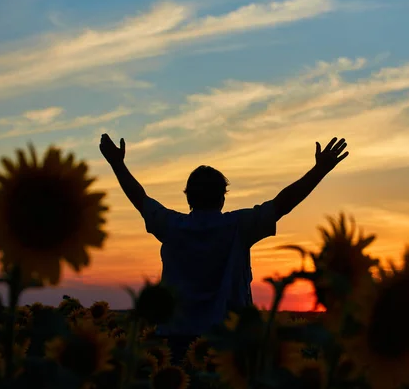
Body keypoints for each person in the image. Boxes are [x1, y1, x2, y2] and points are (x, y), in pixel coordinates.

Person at [99, 133, 349, 363]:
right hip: (227, 342)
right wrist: (320, 169)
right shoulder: (239, 226)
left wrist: (117, 164)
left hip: (173, 339)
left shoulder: (171, 225)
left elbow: (139, 199)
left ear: (188, 197)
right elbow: (283, 204)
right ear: (223, 197)